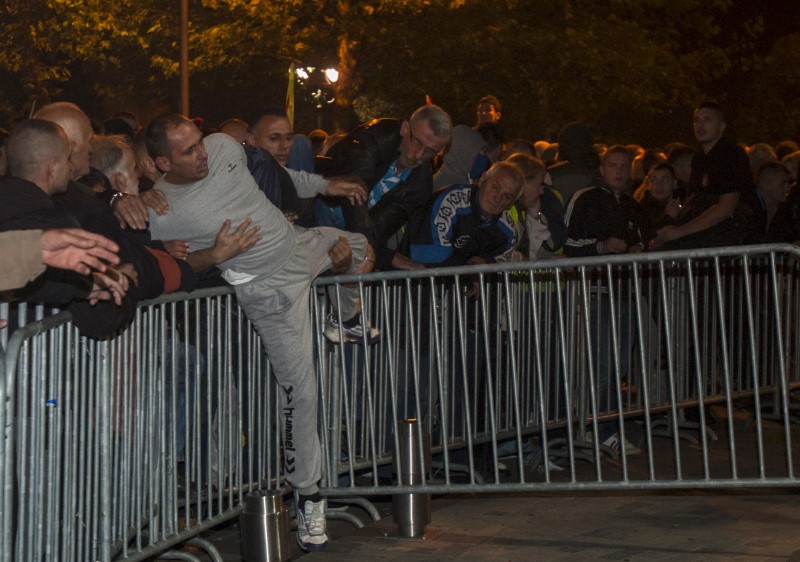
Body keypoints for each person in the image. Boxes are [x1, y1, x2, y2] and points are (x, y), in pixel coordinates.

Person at [145, 114, 375, 552]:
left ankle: (344, 320)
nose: (202, 153)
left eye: (200, 142)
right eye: (188, 151)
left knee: (361, 247)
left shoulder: (226, 147)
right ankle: (308, 496)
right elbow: (151, 260)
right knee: (300, 392)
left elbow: (278, 171)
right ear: (161, 163)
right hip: (270, 292)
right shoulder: (163, 210)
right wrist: (124, 197)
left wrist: (327, 186)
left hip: (301, 243)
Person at [320, 104, 452, 270]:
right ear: (404, 128)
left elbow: (379, 228)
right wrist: (369, 251)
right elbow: (352, 194)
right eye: (417, 142)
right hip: (321, 207)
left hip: (348, 234)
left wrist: (378, 254)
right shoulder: (374, 137)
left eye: (430, 152)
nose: (419, 155)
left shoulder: (420, 186)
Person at [651, 101, 753, 250]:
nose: (700, 125)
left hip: (724, 241)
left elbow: (725, 208)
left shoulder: (732, 155)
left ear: (722, 126)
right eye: (696, 120)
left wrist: (679, 232)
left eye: (707, 120)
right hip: (703, 239)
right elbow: (695, 202)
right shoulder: (699, 159)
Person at [397, 161, 523, 268]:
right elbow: (431, 256)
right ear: (483, 179)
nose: (497, 198)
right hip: (413, 285)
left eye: (507, 197)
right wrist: (471, 274)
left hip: (458, 292)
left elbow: (500, 266)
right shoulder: (451, 201)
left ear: (511, 204)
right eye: (495, 187)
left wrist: (486, 264)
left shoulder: (507, 229)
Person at [505, 153, 567, 261]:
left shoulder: (527, 210)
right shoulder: (505, 211)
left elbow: (538, 252)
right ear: (525, 183)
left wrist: (535, 216)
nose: (542, 191)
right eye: (539, 184)